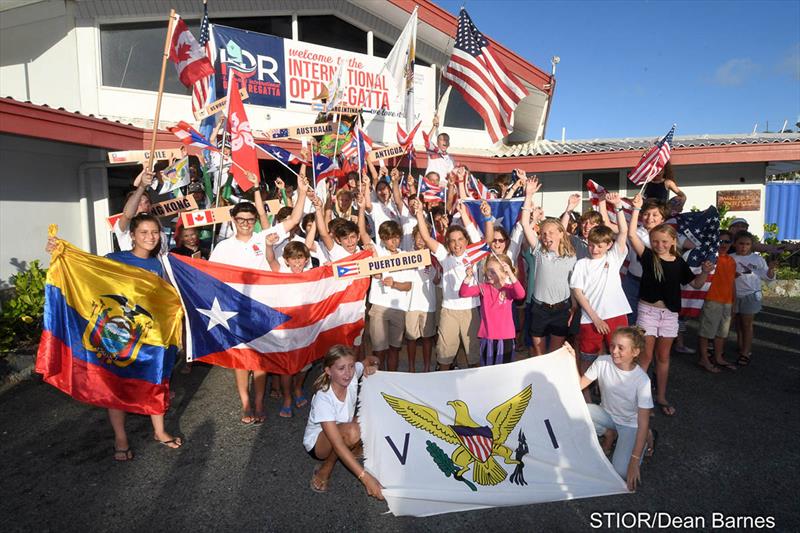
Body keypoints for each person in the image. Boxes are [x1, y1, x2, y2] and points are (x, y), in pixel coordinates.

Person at [46, 213, 184, 461]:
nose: (150, 237)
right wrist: (60, 254)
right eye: (144, 232)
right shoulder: (113, 260)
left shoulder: (161, 264)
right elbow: (87, 275)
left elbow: (168, 298)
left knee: (154, 380)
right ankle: (121, 438)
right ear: (132, 235)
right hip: (117, 335)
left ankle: (160, 431)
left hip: (150, 337)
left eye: (155, 233)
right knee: (115, 384)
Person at [209, 178, 307, 425]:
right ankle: (245, 403)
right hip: (235, 310)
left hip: (262, 308)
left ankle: (260, 402)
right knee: (242, 359)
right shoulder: (222, 247)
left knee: (261, 358)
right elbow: (208, 277)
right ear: (233, 220)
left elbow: (293, 220)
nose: (245, 224)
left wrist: (302, 192)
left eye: (250, 220)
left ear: (255, 222)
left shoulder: (263, 237)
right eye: (241, 220)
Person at [628, 193, 712, 416]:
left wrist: (704, 272)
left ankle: (662, 396)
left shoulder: (679, 263)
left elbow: (695, 284)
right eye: (655, 241)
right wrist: (636, 209)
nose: (659, 245)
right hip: (647, 312)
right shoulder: (647, 257)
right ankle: (642, 400)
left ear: (674, 242)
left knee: (663, 357)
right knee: (645, 357)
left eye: (664, 241)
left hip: (670, 316)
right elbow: (631, 234)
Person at [413, 198, 493, 370]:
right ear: (447, 243)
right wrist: (419, 213)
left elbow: (488, 240)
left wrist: (487, 218)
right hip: (449, 311)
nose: (457, 244)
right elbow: (426, 237)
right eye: (452, 240)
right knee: (444, 356)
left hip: (471, 310)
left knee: (473, 355)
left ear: (466, 241)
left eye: (460, 239)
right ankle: (443, 388)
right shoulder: (444, 256)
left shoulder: (473, 255)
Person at [577, 327, 654, 490]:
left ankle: (648, 436)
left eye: (621, 347)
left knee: (621, 473)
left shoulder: (642, 381)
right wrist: (570, 359)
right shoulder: (602, 361)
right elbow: (578, 387)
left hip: (630, 425)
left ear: (635, 352)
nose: (614, 351)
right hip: (607, 415)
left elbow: (642, 422)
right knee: (576, 409)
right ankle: (608, 433)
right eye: (612, 346)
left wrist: (634, 460)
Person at [570, 193, 632, 394]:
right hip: (590, 319)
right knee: (588, 357)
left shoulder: (614, 258)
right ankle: (586, 395)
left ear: (609, 245)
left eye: (599, 245)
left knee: (620, 355)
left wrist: (618, 207)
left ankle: (614, 392)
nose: (594, 249)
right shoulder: (581, 264)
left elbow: (623, 232)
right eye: (591, 244)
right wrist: (595, 318)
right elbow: (578, 293)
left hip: (616, 314)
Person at [303, 345, 383, 499]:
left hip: (344, 428)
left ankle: (352, 449)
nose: (348, 373)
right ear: (328, 371)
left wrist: (374, 367)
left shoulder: (351, 375)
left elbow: (372, 359)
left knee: (372, 413)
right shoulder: (323, 398)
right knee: (351, 433)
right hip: (318, 443)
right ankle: (325, 469)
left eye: (351, 366)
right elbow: (337, 444)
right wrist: (365, 478)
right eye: (341, 368)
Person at [520, 179, 577, 356]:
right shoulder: (538, 251)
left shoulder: (571, 256)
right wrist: (528, 195)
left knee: (555, 353)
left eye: (551, 233)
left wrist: (568, 210)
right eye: (543, 233)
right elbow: (524, 224)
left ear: (561, 234)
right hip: (539, 309)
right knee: (538, 350)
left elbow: (561, 227)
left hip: (561, 310)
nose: (546, 236)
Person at [357, 195, 412, 371]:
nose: (393, 241)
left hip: (399, 308)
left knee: (395, 349)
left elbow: (409, 285)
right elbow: (363, 232)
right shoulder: (377, 251)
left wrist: (394, 284)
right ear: (382, 238)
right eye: (389, 238)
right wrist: (359, 208)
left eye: (396, 237)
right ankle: (376, 383)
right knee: (379, 351)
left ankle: (391, 381)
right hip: (379, 307)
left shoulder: (406, 256)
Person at [459, 254, 525, 365]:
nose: (488, 274)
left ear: (504, 273)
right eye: (487, 271)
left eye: (493, 272)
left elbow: (521, 294)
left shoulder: (509, 289)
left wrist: (511, 275)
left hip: (505, 337)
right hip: (487, 337)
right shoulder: (484, 287)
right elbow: (463, 293)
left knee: (505, 368)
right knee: (488, 367)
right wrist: (468, 277)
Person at [731, 231, 776, 366]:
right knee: (737, 323)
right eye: (741, 244)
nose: (744, 247)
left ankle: (745, 352)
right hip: (732, 295)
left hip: (750, 295)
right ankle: (740, 344)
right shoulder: (730, 258)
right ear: (735, 244)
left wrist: (771, 270)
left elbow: (767, 277)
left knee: (747, 324)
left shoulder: (757, 259)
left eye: (747, 244)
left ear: (751, 245)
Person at [696, 230, 738, 372]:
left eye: (727, 242)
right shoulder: (711, 259)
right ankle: (704, 359)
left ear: (731, 244)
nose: (723, 244)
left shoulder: (731, 261)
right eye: (720, 241)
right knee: (707, 331)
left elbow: (732, 282)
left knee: (722, 332)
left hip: (727, 301)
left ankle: (718, 357)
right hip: (712, 299)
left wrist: (734, 301)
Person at [404, 225, 440, 372]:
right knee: (411, 338)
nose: (421, 240)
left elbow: (437, 281)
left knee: (427, 338)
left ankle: (426, 368)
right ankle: (411, 367)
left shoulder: (434, 257)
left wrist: (433, 266)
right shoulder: (406, 255)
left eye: (423, 237)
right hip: (410, 304)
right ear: (413, 238)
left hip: (428, 303)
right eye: (418, 237)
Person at [423, 115, 455, 187]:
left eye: (446, 140)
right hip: (430, 181)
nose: (445, 142)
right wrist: (434, 126)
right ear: (437, 143)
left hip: (442, 183)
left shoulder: (451, 158)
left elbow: (450, 173)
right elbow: (427, 140)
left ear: (449, 144)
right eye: (442, 140)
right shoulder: (433, 150)